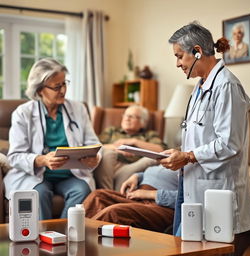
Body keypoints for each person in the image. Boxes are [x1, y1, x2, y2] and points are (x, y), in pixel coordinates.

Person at [160, 22, 250, 247]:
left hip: (217, 189)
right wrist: (181, 154)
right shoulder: (201, 86)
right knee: (184, 247)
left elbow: (229, 144)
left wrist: (188, 156)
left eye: (180, 56)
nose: (177, 64)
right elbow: (201, 137)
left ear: (198, 51)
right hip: (191, 184)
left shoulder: (227, 86)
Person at [4, 58, 101, 220]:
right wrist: (41, 160)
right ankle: (43, 240)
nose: (63, 90)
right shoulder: (23, 113)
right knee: (38, 194)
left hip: (71, 175)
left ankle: (64, 237)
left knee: (82, 190)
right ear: (40, 89)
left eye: (64, 83)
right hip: (36, 176)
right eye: (57, 86)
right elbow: (14, 156)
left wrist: (94, 157)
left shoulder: (78, 109)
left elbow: (94, 143)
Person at [84, 165, 178, 233]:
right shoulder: (174, 157)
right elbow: (159, 174)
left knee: (115, 213)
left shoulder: (190, 163)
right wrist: (137, 176)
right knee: (98, 195)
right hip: (139, 197)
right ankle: (77, 233)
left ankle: (82, 237)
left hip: (163, 206)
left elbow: (189, 197)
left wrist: (149, 194)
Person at [94, 105, 167, 191]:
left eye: (132, 116)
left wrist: (134, 141)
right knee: (108, 153)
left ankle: (108, 194)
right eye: (125, 115)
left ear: (142, 122)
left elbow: (161, 150)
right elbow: (95, 145)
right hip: (107, 166)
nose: (127, 118)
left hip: (129, 168)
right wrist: (114, 148)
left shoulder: (149, 135)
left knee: (152, 159)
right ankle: (109, 192)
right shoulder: (112, 131)